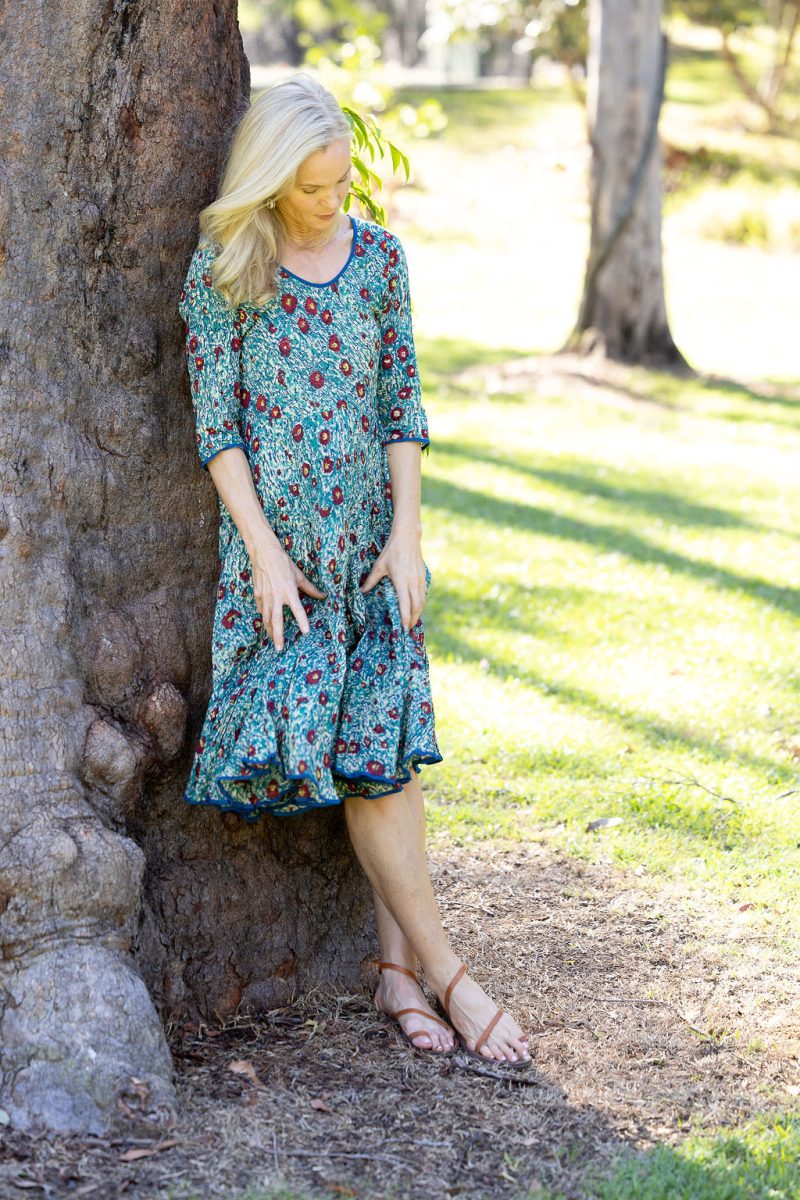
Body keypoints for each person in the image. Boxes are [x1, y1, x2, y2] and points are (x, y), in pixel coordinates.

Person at [178, 72, 531, 1068]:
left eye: (340, 183)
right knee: (354, 767)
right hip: (281, 567)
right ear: (270, 180)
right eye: (313, 188)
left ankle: (413, 974)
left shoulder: (378, 260)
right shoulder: (226, 269)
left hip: (372, 555)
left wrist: (407, 537)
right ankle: (435, 976)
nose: (333, 202)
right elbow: (220, 430)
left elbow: (399, 402)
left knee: (385, 763)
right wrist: (262, 555)